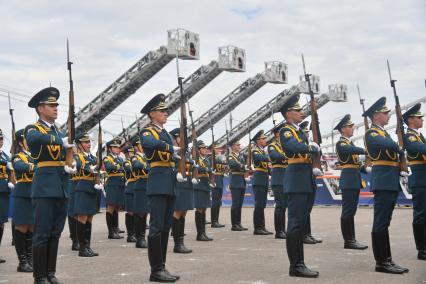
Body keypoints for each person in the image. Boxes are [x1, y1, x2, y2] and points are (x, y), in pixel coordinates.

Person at [25, 87, 75, 283]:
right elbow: (34, 139)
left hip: (61, 187)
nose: (55, 108)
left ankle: (50, 273)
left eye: (56, 105)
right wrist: (60, 141)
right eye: (51, 105)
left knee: (55, 232)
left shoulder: (60, 131)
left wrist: (72, 163)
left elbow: (67, 154)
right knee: (42, 233)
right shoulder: (34, 129)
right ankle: (39, 276)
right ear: (40, 108)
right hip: (45, 188)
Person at [363, 97, 409, 274]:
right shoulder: (372, 133)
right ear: (376, 116)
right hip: (383, 183)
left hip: (390, 181)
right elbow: (389, 145)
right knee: (381, 223)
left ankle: (387, 259)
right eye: (385, 113)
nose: (388, 115)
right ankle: (381, 262)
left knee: (385, 222)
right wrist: (399, 145)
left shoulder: (383, 132)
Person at [140, 94, 180, 282]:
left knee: (165, 226)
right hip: (157, 182)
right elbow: (149, 144)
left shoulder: (166, 133)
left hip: (169, 181)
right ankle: (155, 269)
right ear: (152, 113)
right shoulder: (148, 131)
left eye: (166, 110)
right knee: (156, 227)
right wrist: (171, 149)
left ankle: (162, 266)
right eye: (162, 111)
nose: (166, 113)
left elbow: (169, 151)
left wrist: (177, 159)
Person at [279, 94, 320, 278]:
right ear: (288, 114)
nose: (301, 112)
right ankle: (296, 265)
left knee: (301, 223)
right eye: (297, 110)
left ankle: (300, 263)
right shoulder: (286, 130)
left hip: (305, 179)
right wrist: (311, 147)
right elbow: (293, 146)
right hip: (296, 180)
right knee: (295, 224)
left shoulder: (300, 131)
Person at [334, 115, 368, 250]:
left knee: (351, 211)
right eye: (349, 126)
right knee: (348, 211)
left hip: (353, 179)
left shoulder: (350, 143)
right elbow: (350, 151)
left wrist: (366, 169)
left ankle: (351, 239)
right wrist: (366, 150)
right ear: (342, 129)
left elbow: (355, 163)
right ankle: (348, 240)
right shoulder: (342, 143)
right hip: (348, 180)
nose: (352, 128)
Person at [402, 103, 426, 261]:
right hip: (419, 179)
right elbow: (422, 149)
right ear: (411, 120)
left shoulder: (419, 135)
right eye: (419, 117)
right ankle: (422, 249)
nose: (422, 119)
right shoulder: (409, 136)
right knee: (420, 214)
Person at [73, 133, 101, 257]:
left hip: (92, 189)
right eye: (85, 142)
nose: (88, 144)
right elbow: (79, 165)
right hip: (83, 188)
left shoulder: (93, 157)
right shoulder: (77, 156)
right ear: (79, 144)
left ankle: (87, 246)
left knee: (89, 217)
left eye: (89, 142)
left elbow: (98, 168)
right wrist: (93, 167)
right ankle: (82, 248)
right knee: (82, 217)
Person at [11, 129, 35, 272]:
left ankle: (30, 258)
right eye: (27, 140)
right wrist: (37, 167)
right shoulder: (17, 156)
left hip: (34, 193)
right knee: (22, 226)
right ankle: (22, 261)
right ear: (21, 142)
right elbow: (21, 166)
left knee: (32, 226)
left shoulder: (35, 156)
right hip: (23, 194)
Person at [170, 128, 192, 253]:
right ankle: (177, 244)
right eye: (180, 137)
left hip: (187, 183)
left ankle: (181, 242)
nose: (183, 139)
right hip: (178, 183)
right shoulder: (173, 152)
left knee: (183, 212)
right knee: (177, 212)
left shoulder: (186, 152)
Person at [299, 121, 322, 245]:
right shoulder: (301, 145)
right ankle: (303, 234)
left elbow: (317, 157)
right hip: (303, 179)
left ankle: (308, 233)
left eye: (308, 132)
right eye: (305, 132)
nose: (307, 135)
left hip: (311, 178)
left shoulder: (310, 145)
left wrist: (317, 147)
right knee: (303, 209)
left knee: (308, 209)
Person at [268, 123, 287, 239]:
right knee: (280, 205)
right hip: (278, 177)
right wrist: (287, 154)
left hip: (287, 177)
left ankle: (283, 229)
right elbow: (275, 156)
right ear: (276, 134)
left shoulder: (285, 145)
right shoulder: (272, 146)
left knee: (284, 205)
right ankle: (279, 231)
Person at [251, 130, 272, 235]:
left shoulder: (263, 151)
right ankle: (257, 228)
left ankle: (262, 227)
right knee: (259, 204)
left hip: (263, 179)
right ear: (258, 141)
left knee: (262, 204)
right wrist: (271, 158)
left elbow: (268, 167)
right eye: (263, 139)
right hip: (259, 179)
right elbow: (258, 158)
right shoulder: (255, 150)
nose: (265, 140)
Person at [103, 138, 125, 240]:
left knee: (117, 207)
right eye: (115, 147)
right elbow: (109, 167)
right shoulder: (107, 158)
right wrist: (119, 166)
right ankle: (111, 232)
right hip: (112, 184)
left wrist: (118, 166)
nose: (118, 149)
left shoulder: (119, 159)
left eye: (118, 147)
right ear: (110, 149)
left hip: (120, 183)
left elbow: (122, 168)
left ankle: (115, 229)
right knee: (111, 206)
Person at [131, 136, 150, 249]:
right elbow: (136, 166)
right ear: (136, 147)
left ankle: (142, 237)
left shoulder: (147, 156)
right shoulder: (135, 157)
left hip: (149, 185)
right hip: (141, 185)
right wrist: (147, 165)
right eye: (140, 145)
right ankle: (140, 238)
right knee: (140, 212)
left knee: (145, 212)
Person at [193, 140, 213, 241]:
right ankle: (199, 234)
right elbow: (198, 169)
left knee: (204, 209)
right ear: (198, 150)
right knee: (199, 209)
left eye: (205, 148)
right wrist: (207, 169)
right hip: (199, 185)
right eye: (203, 148)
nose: (205, 149)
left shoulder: (206, 159)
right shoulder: (195, 159)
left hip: (205, 185)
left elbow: (209, 169)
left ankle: (203, 232)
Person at [0, 128, 14, 264]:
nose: (0, 141)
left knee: (1, 223)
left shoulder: (4, 155)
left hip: (3, 191)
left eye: (1, 139)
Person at [228, 140, 248, 231]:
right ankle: (234, 224)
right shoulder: (230, 156)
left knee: (239, 204)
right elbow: (232, 164)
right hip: (235, 182)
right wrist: (242, 166)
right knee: (235, 204)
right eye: (237, 145)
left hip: (241, 181)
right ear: (232, 146)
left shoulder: (241, 156)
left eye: (239, 145)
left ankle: (238, 223)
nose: (239, 146)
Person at [123, 145, 137, 243]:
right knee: (131, 212)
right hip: (131, 186)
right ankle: (130, 234)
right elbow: (130, 170)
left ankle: (136, 232)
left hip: (138, 186)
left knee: (138, 211)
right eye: (130, 152)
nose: (132, 154)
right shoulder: (126, 162)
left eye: (133, 152)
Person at [210, 144, 226, 228]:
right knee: (215, 201)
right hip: (214, 180)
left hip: (220, 180)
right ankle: (214, 221)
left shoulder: (219, 158)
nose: (218, 150)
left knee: (218, 201)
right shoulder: (210, 158)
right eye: (216, 149)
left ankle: (216, 220)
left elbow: (221, 169)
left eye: (218, 148)